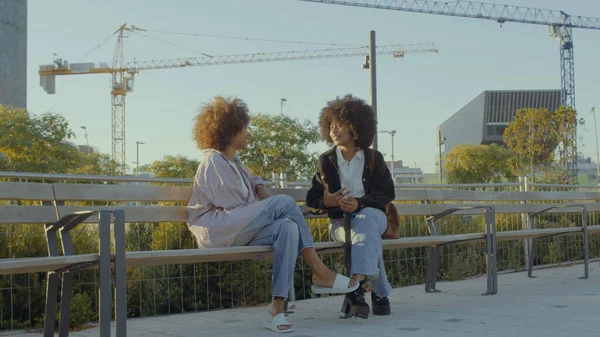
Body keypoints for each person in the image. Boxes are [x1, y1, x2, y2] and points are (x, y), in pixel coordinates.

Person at [187, 96, 358, 334]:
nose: (249, 133)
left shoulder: (232, 161)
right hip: (218, 232)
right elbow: (235, 204)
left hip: (237, 228)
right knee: (284, 203)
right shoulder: (212, 162)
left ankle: (277, 307)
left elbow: (251, 183)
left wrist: (259, 188)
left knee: (287, 228)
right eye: (245, 128)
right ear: (229, 130)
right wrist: (271, 206)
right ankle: (319, 271)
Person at [306, 94, 395, 319]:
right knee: (366, 236)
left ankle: (356, 286)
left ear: (356, 128)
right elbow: (312, 199)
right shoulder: (326, 160)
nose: (334, 131)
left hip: (375, 217)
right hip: (340, 223)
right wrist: (328, 202)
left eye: (341, 126)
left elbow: (387, 193)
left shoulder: (374, 158)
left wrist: (360, 203)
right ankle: (379, 294)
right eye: (331, 126)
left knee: (365, 221)